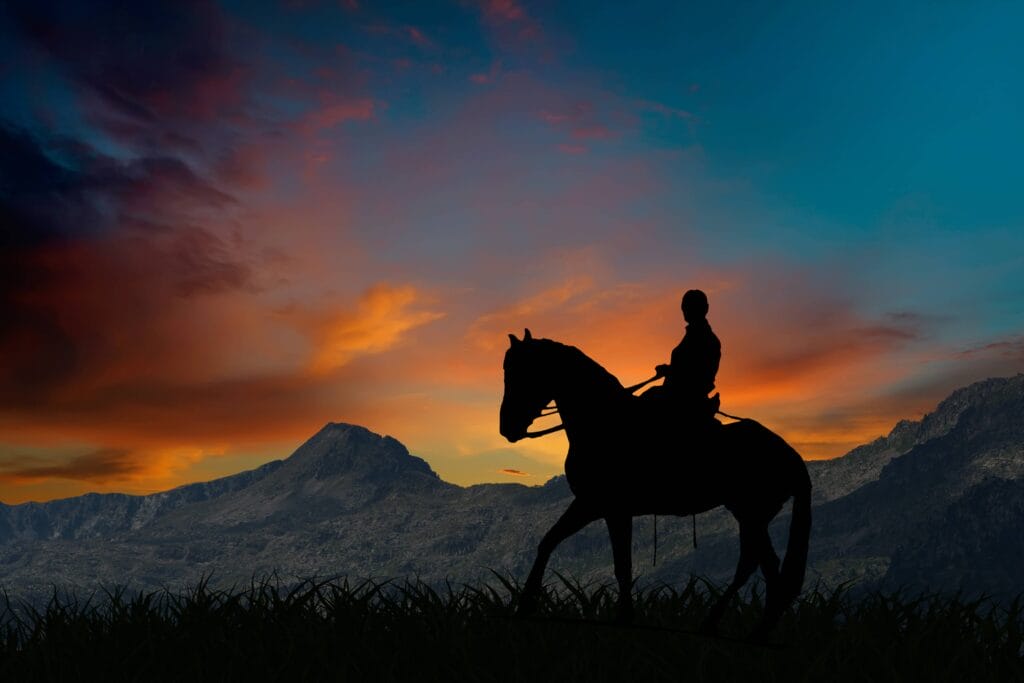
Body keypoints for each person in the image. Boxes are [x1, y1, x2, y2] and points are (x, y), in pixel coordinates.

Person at [643, 289, 722, 430]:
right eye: (684, 306)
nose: (684, 310)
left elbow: (695, 375)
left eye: (688, 306)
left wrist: (669, 371)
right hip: (678, 394)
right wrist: (669, 369)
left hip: (684, 399)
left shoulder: (705, 339)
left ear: (704, 308)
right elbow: (685, 367)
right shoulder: (694, 335)